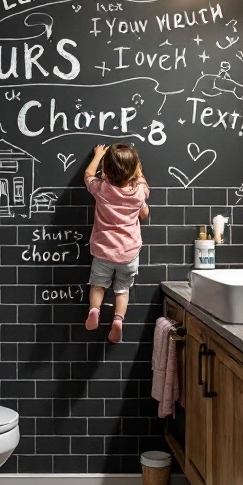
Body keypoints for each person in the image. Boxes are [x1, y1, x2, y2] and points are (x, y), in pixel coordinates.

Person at [83, 143, 150, 343]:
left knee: (97, 286)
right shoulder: (139, 192)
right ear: (135, 170)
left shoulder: (101, 189)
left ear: (106, 169)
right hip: (129, 254)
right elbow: (144, 209)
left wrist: (98, 155)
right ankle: (118, 321)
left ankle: (95, 309)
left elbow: (87, 175)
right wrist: (136, 168)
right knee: (122, 289)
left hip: (104, 252)